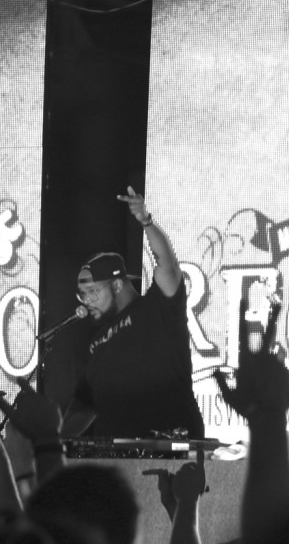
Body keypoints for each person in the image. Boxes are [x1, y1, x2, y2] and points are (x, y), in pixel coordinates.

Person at [62, 186, 204, 440]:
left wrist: (146, 222)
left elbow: (167, 266)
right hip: (117, 455)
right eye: (82, 295)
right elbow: (83, 408)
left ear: (117, 285)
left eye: (92, 291)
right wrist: (48, 438)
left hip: (168, 444)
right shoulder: (96, 342)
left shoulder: (156, 307)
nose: (86, 301)